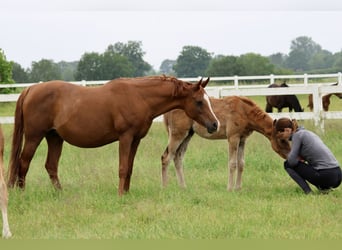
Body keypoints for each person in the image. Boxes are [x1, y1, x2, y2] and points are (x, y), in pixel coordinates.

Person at [274, 117, 341, 194]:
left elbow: (292, 161)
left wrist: (296, 158)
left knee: (287, 164)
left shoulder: (297, 136)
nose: (281, 138)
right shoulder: (307, 133)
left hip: (327, 176)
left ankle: (308, 192)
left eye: (280, 135)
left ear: (287, 130)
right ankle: (324, 189)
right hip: (338, 174)